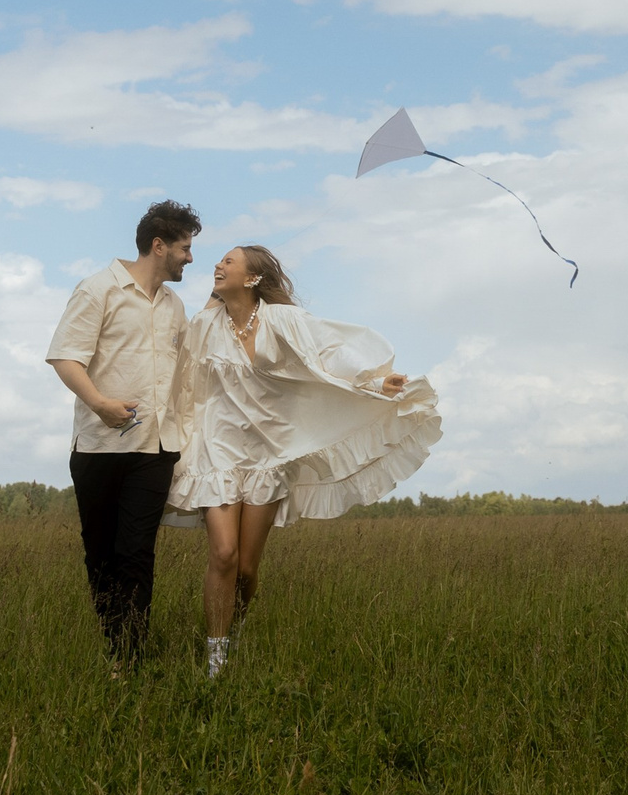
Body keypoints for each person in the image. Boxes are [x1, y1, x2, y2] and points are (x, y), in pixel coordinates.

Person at [170, 244, 441, 678]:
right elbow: (176, 365)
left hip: (269, 453)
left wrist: (372, 379)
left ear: (253, 278)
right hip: (216, 450)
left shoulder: (283, 320)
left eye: (229, 261)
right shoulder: (205, 324)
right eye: (218, 261)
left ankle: (235, 628)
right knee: (222, 553)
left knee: (245, 568)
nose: (217, 265)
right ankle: (216, 658)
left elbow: (331, 351)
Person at [45, 199, 201, 670]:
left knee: (137, 553)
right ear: (159, 246)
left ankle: (129, 659)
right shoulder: (98, 290)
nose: (190, 258)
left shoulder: (175, 306)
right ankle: (115, 644)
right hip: (99, 447)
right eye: (184, 248)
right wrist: (100, 403)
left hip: (156, 449)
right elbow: (64, 357)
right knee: (102, 555)